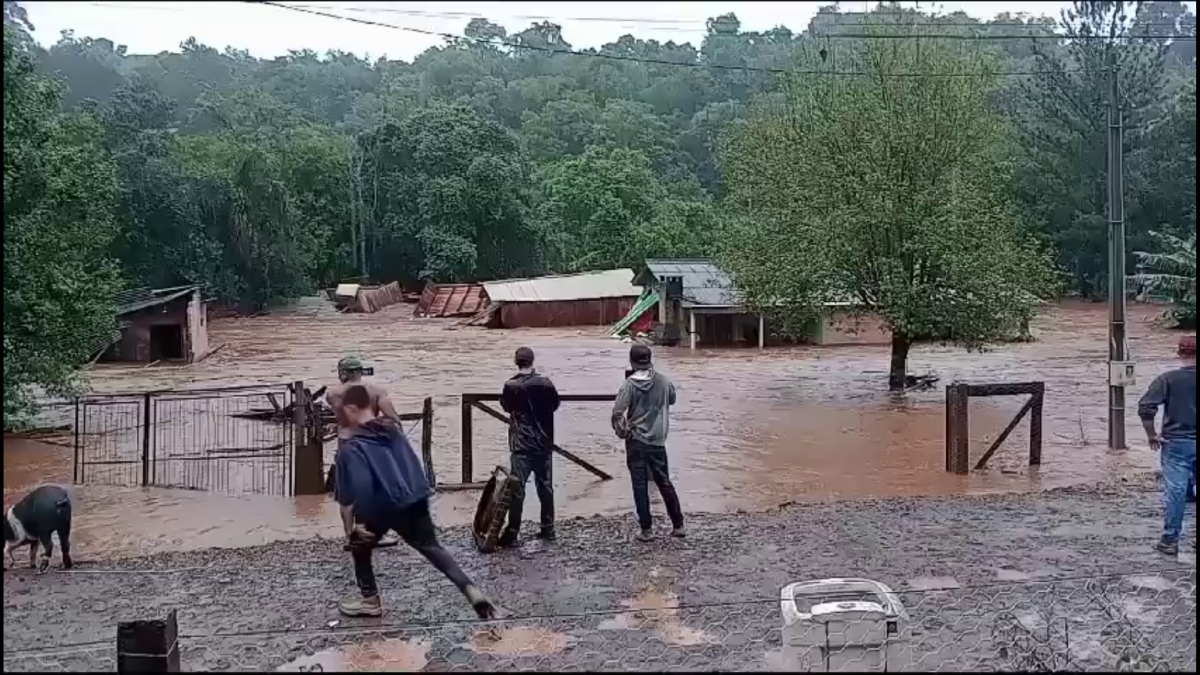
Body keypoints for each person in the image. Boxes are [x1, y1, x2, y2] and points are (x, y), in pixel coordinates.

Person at [334, 384, 496, 619]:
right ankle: (470, 588)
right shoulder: (393, 430)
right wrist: (421, 493)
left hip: (380, 505)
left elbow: (359, 485)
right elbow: (411, 463)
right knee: (432, 547)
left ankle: (370, 600)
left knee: (360, 547)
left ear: (351, 408)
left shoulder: (352, 446)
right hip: (414, 496)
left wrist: (359, 522)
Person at [325, 356, 404, 546]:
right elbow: (393, 419)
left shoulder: (332, 393)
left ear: (342, 372)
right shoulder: (376, 391)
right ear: (360, 372)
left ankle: (350, 536)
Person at [611, 344, 685, 541]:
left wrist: (623, 432)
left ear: (632, 362)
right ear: (650, 359)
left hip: (636, 442)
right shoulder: (663, 381)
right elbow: (672, 399)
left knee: (639, 486)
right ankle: (678, 525)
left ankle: (646, 530)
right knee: (664, 482)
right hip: (658, 441)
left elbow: (618, 412)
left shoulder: (629, 385)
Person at [1138, 334, 1197, 557]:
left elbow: (1146, 407)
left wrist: (1152, 434)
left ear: (1180, 353)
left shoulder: (1168, 379)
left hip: (1176, 443)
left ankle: (1170, 540)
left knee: (1176, 491)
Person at [498, 347, 561, 547]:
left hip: (521, 445)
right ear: (532, 361)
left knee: (517, 490)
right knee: (546, 487)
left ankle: (513, 532)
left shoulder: (511, 385)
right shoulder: (546, 383)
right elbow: (555, 404)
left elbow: (506, 407)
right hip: (543, 443)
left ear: (517, 362)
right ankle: (548, 529)